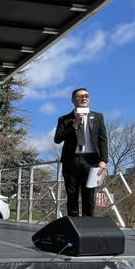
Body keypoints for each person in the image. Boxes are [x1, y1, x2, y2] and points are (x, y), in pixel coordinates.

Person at [54, 87, 108, 217]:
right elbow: (58, 139)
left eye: (86, 96)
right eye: (80, 96)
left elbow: (103, 140)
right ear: (73, 100)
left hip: (91, 161)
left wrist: (103, 160)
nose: (84, 98)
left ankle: (88, 223)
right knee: (72, 194)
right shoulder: (64, 119)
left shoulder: (98, 117)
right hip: (71, 160)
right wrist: (75, 124)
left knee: (89, 194)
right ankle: (74, 225)